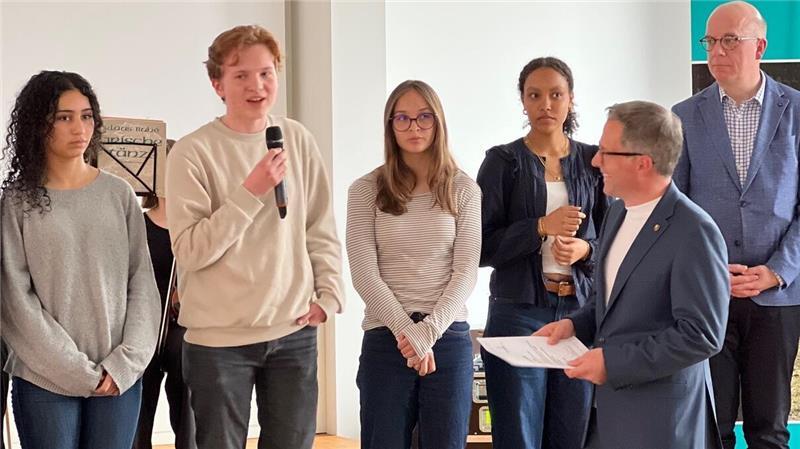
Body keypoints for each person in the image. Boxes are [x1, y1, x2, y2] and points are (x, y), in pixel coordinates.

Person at [165, 25, 344, 449]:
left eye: (265, 73)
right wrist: (250, 192)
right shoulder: (192, 152)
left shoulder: (296, 138)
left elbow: (319, 224)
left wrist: (329, 295)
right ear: (217, 84)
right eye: (241, 75)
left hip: (293, 330)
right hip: (218, 342)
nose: (256, 86)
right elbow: (190, 251)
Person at [536, 100, 729, 449]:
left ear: (643, 162)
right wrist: (575, 326)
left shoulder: (694, 230)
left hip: (661, 424)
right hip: (607, 417)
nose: (595, 161)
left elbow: (701, 335)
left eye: (606, 153)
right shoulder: (617, 214)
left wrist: (612, 363)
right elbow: (606, 300)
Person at [0, 70, 160, 449]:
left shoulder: (118, 194)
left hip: (118, 378)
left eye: (86, 116)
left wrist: (125, 364)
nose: (80, 127)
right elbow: (15, 300)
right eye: (64, 117)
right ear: (39, 125)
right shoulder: (18, 202)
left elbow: (142, 284)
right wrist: (75, 371)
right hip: (45, 379)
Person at [672, 2, 800, 447]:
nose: (717, 51)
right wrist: (708, 270)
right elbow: (675, 208)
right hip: (709, 295)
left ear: (760, 46)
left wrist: (777, 270)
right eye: (710, 41)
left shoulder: (798, 111)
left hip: (778, 295)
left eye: (730, 40)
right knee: (711, 425)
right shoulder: (683, 116)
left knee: (771, 429)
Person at [476, 57, 606, 449]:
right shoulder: (502, 161)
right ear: (523, 101)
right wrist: (539, 227)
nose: (545, 104)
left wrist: (585, 249)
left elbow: (617, 243)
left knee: (572, 433)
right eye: (535, 95)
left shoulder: (594, 161)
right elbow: (480, 246)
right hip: (518, 312)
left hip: (580, 313)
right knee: (518, 435)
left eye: (555, 95)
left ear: (571, 100)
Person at [347, 80, 481, 449]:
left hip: (448, 339)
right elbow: (364, 273)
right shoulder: (365, 189)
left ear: (438, 122)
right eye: (402, 118)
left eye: (424, 117)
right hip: (386, 338)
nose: (414, 127)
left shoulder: (464, 189)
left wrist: (428, 333)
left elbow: (466, 271)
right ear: (390, 125)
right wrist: (408, 333)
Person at [133, 142, 196, 449]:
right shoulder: (136, 225)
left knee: (187, 358)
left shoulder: (196, 227)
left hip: (182, 326)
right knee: (138, 377)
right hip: (142, 327)